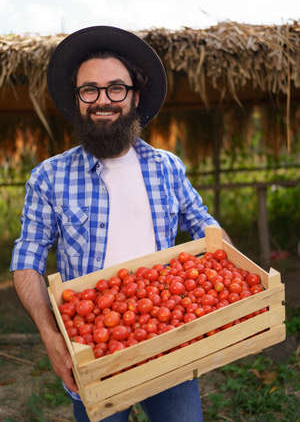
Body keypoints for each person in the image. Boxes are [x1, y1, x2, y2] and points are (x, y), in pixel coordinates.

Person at [11, 26, 231, 422]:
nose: (103, 100)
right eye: (89, 90)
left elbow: (204, 225)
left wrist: (232, 283)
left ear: (135, 96)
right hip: (93, 349)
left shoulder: (166, 167)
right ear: (77, 100)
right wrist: (50, 334)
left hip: (168, 337)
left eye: (116, 88)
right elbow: (27, 257)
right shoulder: (49, 176)